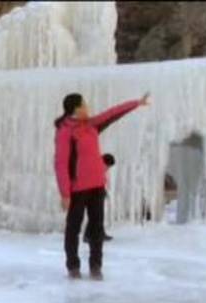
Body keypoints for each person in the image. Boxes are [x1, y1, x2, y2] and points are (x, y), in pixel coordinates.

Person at [54, 93, 149, 280]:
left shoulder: (91, 124)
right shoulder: (66, 132)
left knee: (97, 227)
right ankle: (73, 266)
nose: (88, 107)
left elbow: (113, 113)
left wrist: (136, 103)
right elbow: (61, 163)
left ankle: (96, 265)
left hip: (97, 185)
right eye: (85, 104)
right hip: (78, 189)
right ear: (76, 109)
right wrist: (65, 193)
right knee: (73, 228)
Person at [84, 153, 116, 244]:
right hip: (94, 194)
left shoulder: (99, 167)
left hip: (98, 193)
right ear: (106, 163)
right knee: (96, 216)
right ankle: (88, 235)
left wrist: (103, 191)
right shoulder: (97, 168)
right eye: (109, 166)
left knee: (99, 216)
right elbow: (94, 181)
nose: (108, 168)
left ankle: (99, 233)